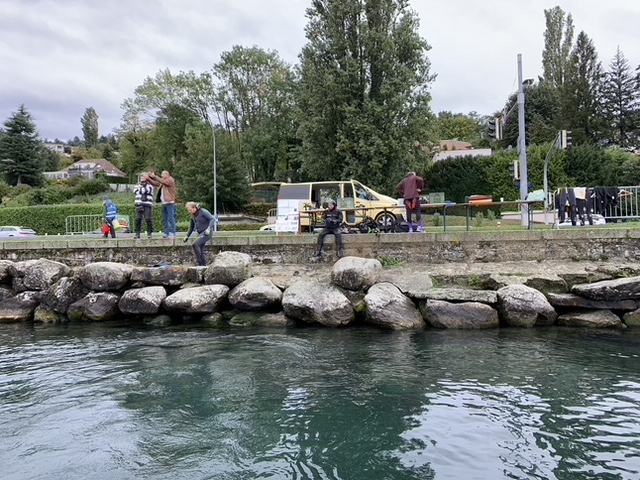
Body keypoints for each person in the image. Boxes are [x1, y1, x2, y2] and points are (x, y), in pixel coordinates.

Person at [183, 201, 216, 266]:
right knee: (200, 250)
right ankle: (203, 266)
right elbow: (191, 227)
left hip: (207, 233)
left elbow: (212, 219)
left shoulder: (203, 212)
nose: (189, 212)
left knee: (195, 244)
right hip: (200, 233)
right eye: (188, 210)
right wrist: (187, 236)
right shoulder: (192, 216)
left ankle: (200, 263)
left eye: (190, 210)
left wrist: (208, 229)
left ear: (194, 208)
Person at [148, 170, 178, 238]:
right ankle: (166, 233)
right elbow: (156, 183)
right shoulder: (163, 181)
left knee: (171, 218)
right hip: (164, 202)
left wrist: (154, 176)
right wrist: (149, 179)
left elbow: (163, 181)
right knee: (165, 219)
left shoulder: (170, 180)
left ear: (167, 174)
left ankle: (173, 233)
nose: (162, 176)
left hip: (169, 202)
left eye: (162, 175)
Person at [134, 174, 155, 239]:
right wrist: (140, 189)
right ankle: (137, 233)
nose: (142, 178)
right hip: (139, 203)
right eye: (141, 177)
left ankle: (149, 232)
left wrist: (140, 189)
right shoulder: (137, 185)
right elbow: (135, 191)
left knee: (148, 219)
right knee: (138, 219)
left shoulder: (150, 186)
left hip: (147, 204)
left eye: (143, 177)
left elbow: (147, 190)